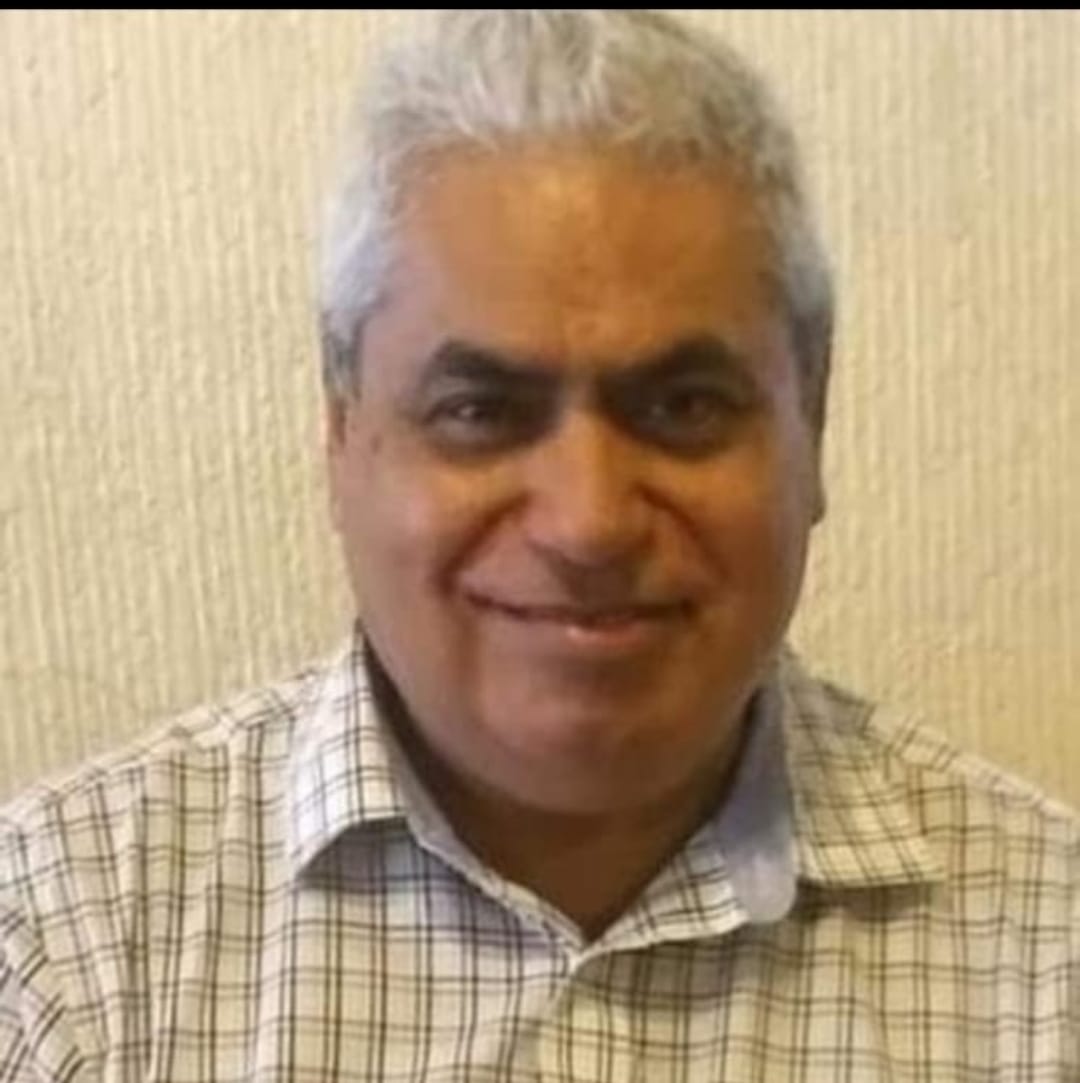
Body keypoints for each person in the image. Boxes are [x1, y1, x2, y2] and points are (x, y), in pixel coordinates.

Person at [1, 10, 1076, 1080]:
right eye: (480, 411)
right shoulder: (56, 961)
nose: (588, 521)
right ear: (341, 439)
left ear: (815, 425)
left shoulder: (1052, 966)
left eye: (683, 406)